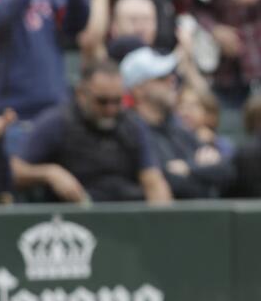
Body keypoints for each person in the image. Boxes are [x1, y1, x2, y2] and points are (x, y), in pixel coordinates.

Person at [10, 60, 172, 203]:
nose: (110, 109)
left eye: (117, 101)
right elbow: (15, 170)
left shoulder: (132, 124)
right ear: (81, 94)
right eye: (102, 101)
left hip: (127, 214)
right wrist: (50, 173)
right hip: (75, 218)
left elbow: (152, 180)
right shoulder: (57, 122)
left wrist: (159, 221)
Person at [121, 47, 234, 199]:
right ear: (139, 89)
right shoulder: (129, 131)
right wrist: (203, 170)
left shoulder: (177, 129)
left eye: (171, 76)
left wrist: (189, 168)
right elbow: (173, 183)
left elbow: (227, 170)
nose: (172, 81)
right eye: (162, 78)